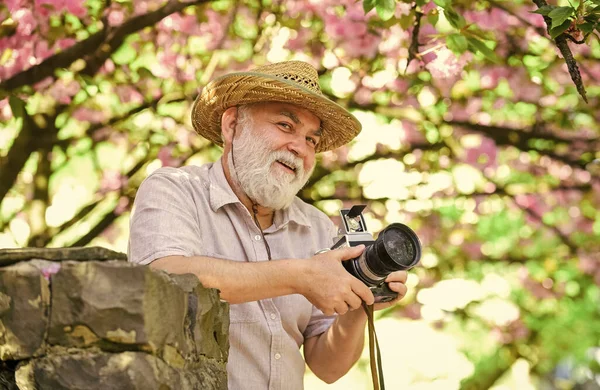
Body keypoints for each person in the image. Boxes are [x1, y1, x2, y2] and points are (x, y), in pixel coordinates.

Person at [128, 61, 409, 389]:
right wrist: (300, 277)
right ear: (232, 125)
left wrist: (359, 305)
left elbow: (327, 368)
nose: (299, 148)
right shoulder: (175, 189)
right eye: (285, 125)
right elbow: (165, 276)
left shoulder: (316, 227)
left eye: (311, 140)